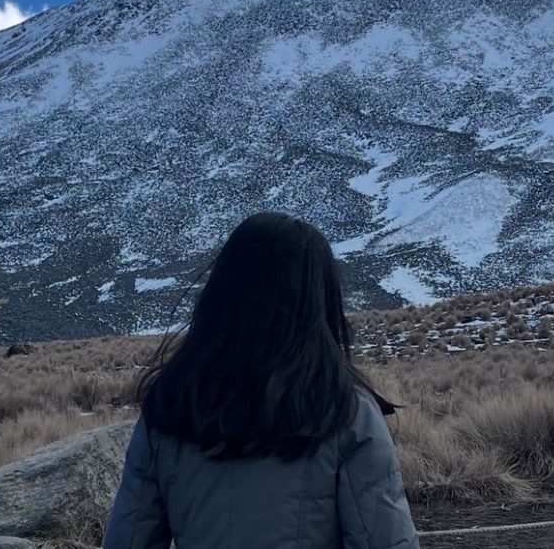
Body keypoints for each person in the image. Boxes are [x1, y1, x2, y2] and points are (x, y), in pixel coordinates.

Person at [103, 212, 419, 549]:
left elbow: (129, 539)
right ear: (319, 300)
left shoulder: (171, 408)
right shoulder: (345, 411)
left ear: (221, 294)